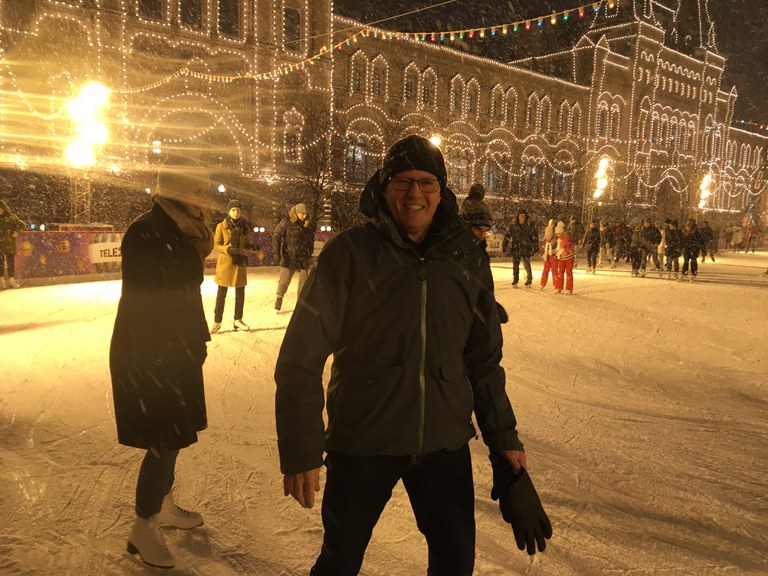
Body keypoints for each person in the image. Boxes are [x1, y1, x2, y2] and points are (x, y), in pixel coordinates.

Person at [275, 135, 551, 576]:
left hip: (443, 443)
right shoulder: (350, 254)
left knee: (455, 564)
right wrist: (301, 448)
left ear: (442, 192)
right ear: (384, 186)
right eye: (403, 181)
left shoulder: (465, 259)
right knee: (340, 561)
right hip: (364, 440)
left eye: (427, 182)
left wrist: (505, 441)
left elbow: (483, 361)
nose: (415, 193)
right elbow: (299, 359)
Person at [110, 156, 212, 569]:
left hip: (176, 348)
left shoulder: (182, 231)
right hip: (149, 351)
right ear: (177, 191)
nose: (206, 198)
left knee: (175, 433)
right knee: (163, 438)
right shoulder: (146, 232)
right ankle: (142, 528)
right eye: (199, 190)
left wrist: (195, 340)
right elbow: (158, 293)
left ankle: (163, 503)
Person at [210, 199, 264, 333]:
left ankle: (237, 320)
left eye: (238, 210)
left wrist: (254, 247)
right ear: (229, 211)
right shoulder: (221, 226)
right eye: (233, 210)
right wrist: (227, 249)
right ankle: (217, 321)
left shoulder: (244, 227)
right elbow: (217, 245)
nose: (236, 212)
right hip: (226, 264)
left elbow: (245, 244)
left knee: (240, 293)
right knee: (221, 293)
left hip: (239, 263)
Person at [460, 185, 508, 324]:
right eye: (477, 230)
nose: (481, 236)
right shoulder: (457, 253)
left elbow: (482, 289)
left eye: (485, 231)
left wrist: (490, 306)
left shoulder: (480, 254)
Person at [272, 202, 314, 311]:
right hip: (289, 255)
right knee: (284, 280)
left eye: (305, 214)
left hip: (303, 257)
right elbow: (276, 236)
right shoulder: (286, 221)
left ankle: (301, 303)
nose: (303, 216)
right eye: (301, 214)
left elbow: (310, 241)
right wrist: (276, 253)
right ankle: (279, 298)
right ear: (296, 213)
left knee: (304, 282)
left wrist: (309, 253)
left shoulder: (308, 225)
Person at [503, 209, 538, 287]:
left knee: (527, 264)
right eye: (521, 215)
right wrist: (504, 245)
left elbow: (534, 236)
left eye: (523, 216)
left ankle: (529, 279)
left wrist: (535, 246)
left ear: (525, 216)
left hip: (526, 247)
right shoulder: (513, 225)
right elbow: (507, 236)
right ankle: (515, 279)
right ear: (518, 216)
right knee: (515, 265)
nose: (522, 217)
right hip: (516, 247)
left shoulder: (529, 225)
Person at [0, 200, 26, 289]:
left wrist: (16, 231)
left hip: (10, 244)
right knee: (0, 262)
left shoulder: (12, 218)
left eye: (0, 208)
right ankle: (1, 280)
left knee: (10, 263)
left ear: (4, 208)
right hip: (2, 245)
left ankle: (11, 280)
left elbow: (22, 225)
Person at [553, 221, 575, 294]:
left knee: (568, 272)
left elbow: (565, 248)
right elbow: (558, 248)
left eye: (558, 233)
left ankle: (569, 288)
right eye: (556, 234)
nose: (557, 235)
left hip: (569, 257)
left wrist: (558, 253)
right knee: (560, 272)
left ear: (561, 232)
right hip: (562, 258)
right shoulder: (559, 239)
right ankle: (559, 287)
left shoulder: (566, 237)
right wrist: (554, 252)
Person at [540, 219, 558, 289]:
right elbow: (542, 247)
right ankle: (542, 283)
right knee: (545, 270)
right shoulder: (545, 241)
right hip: (547, 257)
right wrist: (543, 252)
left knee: (554, 271)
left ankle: (556, 284)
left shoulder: (555, 240)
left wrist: (555, 251)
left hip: (553, 257)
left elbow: (557, 248)